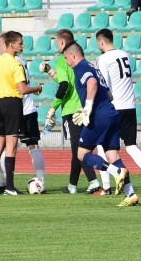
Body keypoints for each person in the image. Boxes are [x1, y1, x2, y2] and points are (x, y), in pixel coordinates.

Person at [62, 42, 138, 207]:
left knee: (82, 154)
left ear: (73, 56)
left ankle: (116, 172)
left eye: (66, 58)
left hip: (98, 117)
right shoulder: (93, 67)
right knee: (113, 156)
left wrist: (88, 107)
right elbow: (109, 94)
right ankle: (130, 194)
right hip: (112, 114)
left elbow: (92, 84)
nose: (67, 62)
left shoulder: (81, 68)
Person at [95, 28, 141, 195]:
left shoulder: (103, 58)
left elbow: (104, 85)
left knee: (103, 145)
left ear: (101, 42)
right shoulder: (125, 55)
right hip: (130, 105)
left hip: (115, 106)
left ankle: (106, 186)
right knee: (131, 145)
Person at [43, 29, 100, 194]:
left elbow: (64, 86)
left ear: (61, 43)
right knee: (78, 148)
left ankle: (93, 181)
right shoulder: (79, 61)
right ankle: (72, 185)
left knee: (78, 150)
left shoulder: (62, 61)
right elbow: (69, 82)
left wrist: (53, 107)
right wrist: (50, 72)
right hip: (83, 109)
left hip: (70, 111)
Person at [0, 31, 43, 195]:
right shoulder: (15, 64)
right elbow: (22, 89)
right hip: (13, 103)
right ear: (11, 45)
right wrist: (38, 88)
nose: (22, 46)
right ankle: (10, 187)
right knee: (11, 147)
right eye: (20, 43)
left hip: (0, 104)